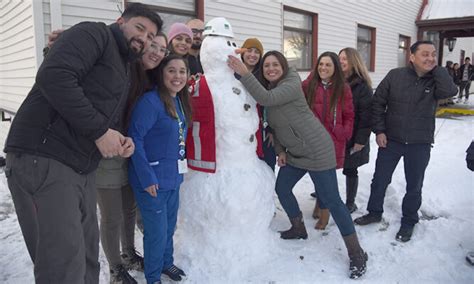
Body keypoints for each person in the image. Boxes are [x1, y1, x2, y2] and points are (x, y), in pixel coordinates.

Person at [3, 3, 162, 283]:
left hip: (81, 166)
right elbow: (55, 76)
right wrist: (101, 131)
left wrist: (119, 138)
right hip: (45, 154)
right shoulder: (94, 34)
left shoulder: (124, 66)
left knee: (88, 259)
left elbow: (100, 110)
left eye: (151, 37)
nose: (145, 38)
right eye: (140, 28)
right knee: (62, 265)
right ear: (120, 21)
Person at [227, 50, 368, 279]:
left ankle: (357, 253)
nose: (271, 69)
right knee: (282, 188)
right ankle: (298, 228)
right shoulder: (271, 90)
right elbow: (276, 127)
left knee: (332, 200)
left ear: (283, 66)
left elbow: (266, 99)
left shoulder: (291, 83)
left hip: (318, 150)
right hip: (296, 153)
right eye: (267, 66)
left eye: (275, 64)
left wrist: (243, 72)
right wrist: (281, 151)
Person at [354, 41, 458, 242]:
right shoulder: (395, 75)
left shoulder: (436, 80)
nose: (430, 58)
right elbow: (378, 104)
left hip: (420, 143)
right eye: (425, 54)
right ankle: (374, 212)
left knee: (414, 185)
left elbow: (450, 91)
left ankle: (409, 220)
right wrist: (380, 131)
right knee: (380, 180)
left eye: (433, 55)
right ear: (412, 57)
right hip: (391, 140)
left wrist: (437, 69)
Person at [128, 54, 192, 284]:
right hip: (152, 180)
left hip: (173, 177)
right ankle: (153, 277)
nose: (177, 76)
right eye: (171, 71)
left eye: (182, 71)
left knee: (169, 227)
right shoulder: (150, 101)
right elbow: (135, 138)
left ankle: (166, 262)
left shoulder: (177, 100)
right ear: (161, 73)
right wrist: (146, 177)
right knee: (156, 233)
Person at [302, 51, 354, 230]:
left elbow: (349, 115)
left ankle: (324, 216)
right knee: (316, 175)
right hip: (313, 139)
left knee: (326, 179)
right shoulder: (310, 84)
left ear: (335, 68)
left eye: (328, 65)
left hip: (332, 140)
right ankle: (319, 205)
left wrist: (343, 132)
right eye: (321, 64)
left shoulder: (343, 88)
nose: (323, 68)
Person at [338, 47, 373, 213]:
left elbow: (367, 116)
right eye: (340, 58)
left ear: (353, 61)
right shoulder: (335, 81)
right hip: (337, 134)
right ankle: (322, 192)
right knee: (326, 165)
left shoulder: (361, 86)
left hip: (354, 136)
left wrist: (360, 141)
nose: (341, 61)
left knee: (350, 169)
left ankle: (350, 202)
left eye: (345, 59)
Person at [240, 37, 277, 171]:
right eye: (249, 50)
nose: (253, 55)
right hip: (240, 127)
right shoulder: (233, 73)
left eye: (257, 52)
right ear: (242, 52)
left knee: (267, 163)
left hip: (263, 128)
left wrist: (271, 130)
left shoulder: (264, 75)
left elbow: (272, 105)